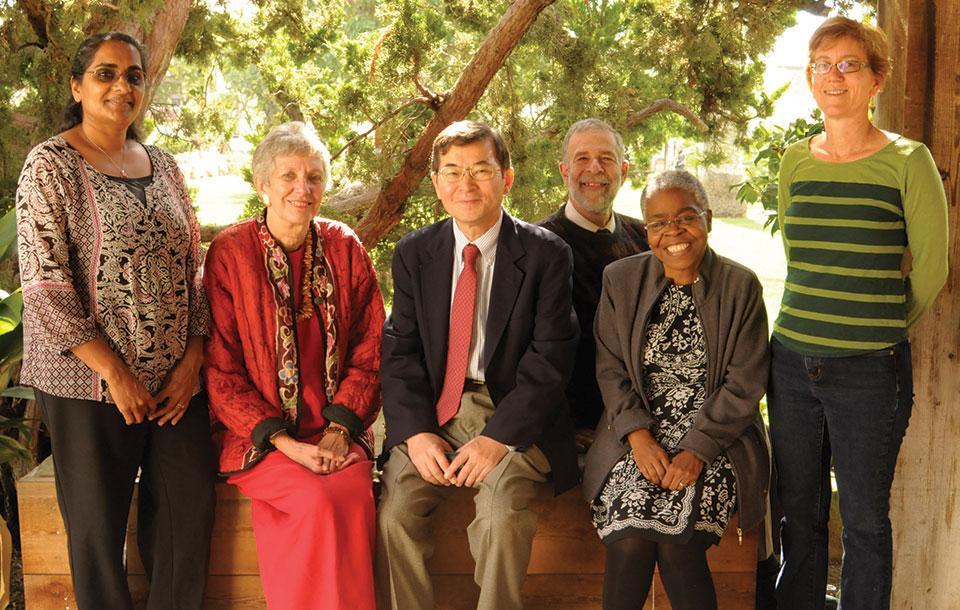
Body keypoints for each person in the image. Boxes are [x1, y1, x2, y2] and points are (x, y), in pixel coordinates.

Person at [15, 32, 215, 609]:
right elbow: (45, 283)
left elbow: (194, 270)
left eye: (133, 76)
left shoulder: (166, 166)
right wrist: (115, 372)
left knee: (188, 512)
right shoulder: (50, 165)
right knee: (98, 536)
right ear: (77, 87)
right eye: (105, 74)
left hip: (176, 384)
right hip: (88, 382)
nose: (121, 86)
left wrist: (193, 358)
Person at [768, 16, 949, 609]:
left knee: (866, 524)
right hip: (790, 365)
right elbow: (800, 257)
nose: (835, 76)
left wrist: (876, 326)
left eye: (850, 64)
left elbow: (930, 271)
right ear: (810, 78)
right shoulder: (795, 161)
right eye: (823, 65)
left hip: (870, 372)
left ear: (876, 80)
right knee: (799, 515)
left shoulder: (907, 160)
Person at [375, 120, 579, 610]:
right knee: (394, 515)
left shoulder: (546, 254)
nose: (465, 184)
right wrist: (416, 432)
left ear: (506, 178)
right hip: (435, 414)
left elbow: (551, 359)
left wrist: (496, 439)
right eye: (452, 171)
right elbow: (399, 350)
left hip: (511, 414)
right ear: (437, 183)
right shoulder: (414, 253)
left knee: (501, 514)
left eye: (481, 170)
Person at [202, 121, 384, 609]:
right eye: (288, 176)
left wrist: (340, 428)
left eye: (315, 177)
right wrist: (286, 444)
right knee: (315, 500)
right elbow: (220, 369)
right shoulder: (229, 254)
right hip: (259, 440)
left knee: (349, 493)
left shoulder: (345, 246)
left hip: (335, 434)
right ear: (262, 184)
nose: (302, 189)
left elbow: (373, 346)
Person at [583, 170, 770, 610]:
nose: (674, 233)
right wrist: (638, 438)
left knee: (677, 543)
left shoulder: (740, 286)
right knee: (629, 540)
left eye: (686, 218)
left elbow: (745, 383)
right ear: (646, 229)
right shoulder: (620, 280)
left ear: (707, 218)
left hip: (718, 438)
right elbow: (610, 369)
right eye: (659, 222)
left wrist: (696, 450)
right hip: (637, 433)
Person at [538, 118, 648, 447]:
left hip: (642, 416)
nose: (594, 168)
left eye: (607, 158)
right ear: (564, 171)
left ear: (624, 171)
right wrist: (563, 425)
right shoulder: (536, 245)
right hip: (575, 424)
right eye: (582, 158)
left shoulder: (646, 239)